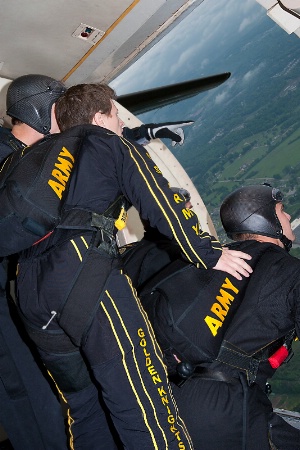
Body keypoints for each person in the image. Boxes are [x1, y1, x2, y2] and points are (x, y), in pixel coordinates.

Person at [14, 82, 253, 450]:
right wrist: (212, 254)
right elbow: (162, 205)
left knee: (84, 406)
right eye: (116, 116)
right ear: (98, 119)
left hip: (31, 297)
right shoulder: (110, 145)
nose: (123, 126)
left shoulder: (36, 156)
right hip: (86, 283)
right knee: (145, 400)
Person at [130, 183, 300, 450]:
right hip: (226, 406)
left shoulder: (212, 259)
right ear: (265, 220)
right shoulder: (286, 270)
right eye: (281, 211)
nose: (288, 216)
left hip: (174, 401)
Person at [0, 76, 68, 450]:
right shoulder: (5, 155)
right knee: (24, 393)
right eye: (61, 111)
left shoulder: (18, 155)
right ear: (38, 111)